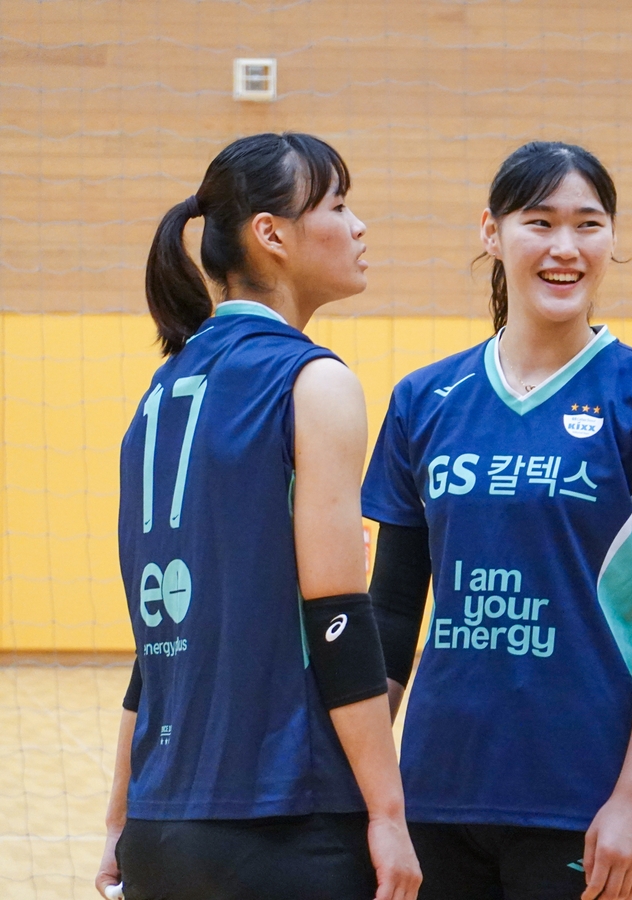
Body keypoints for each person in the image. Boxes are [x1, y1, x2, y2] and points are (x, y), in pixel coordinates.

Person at [361, 141, 632, 900]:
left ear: (612, 239)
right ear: (491, 234)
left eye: (588, 224)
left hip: (580, 799)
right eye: (540, 222)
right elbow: (392, 610)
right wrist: (368, 793)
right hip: (435, 789)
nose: (565, 248)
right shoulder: (425, 401)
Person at [94, 132, 422, 900]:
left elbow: (157, 645)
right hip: (287, 824)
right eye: (338, 205)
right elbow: (338, 615)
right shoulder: (313, 381)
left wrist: (121, 816)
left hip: (161, 829)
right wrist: (388, 810)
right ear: (270, 235)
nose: (359, 225)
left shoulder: (157, 396)